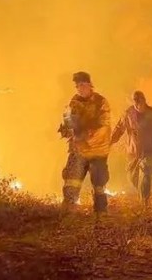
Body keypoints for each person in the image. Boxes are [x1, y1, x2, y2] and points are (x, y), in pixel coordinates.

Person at [58, 71, 112, 214]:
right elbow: (68, 120)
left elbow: (104, 127)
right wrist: (67, 129)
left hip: (97, 150)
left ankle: (100, 214)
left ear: (89, 84)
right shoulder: (73, 102)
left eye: (81, 85)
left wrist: (86, 136)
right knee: (71, 179)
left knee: (99, 183)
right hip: (79, 149)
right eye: (77, 86)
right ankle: (68, 212)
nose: (79, 88)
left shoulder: (101, 102)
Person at [111, 91, 152, 208]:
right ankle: (143, 193)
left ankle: (145, 202)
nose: (138, 103)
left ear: (144, 100)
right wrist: (110, 141)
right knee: (132, 177)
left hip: (150, 150)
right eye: (135, 101)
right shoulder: (128, 113)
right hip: (133, 151)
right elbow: (119, 128)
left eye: (140, 100)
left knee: (146, 175)